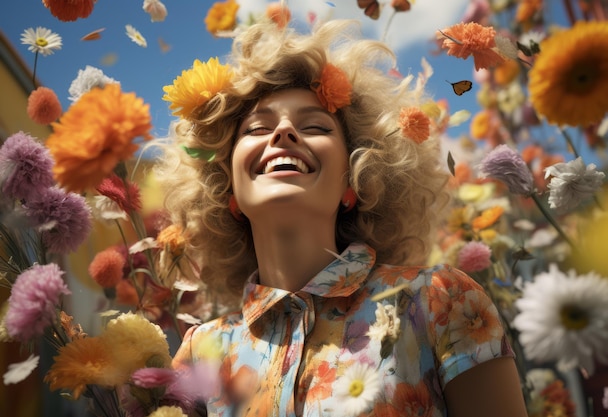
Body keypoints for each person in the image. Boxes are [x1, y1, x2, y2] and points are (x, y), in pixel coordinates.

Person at [155, 15, 529, 417]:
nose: (283, 132)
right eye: (257, 129)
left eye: (314, 126)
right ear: (229, 191)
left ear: (356, 181)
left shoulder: (439, 300)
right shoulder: (199, 353)